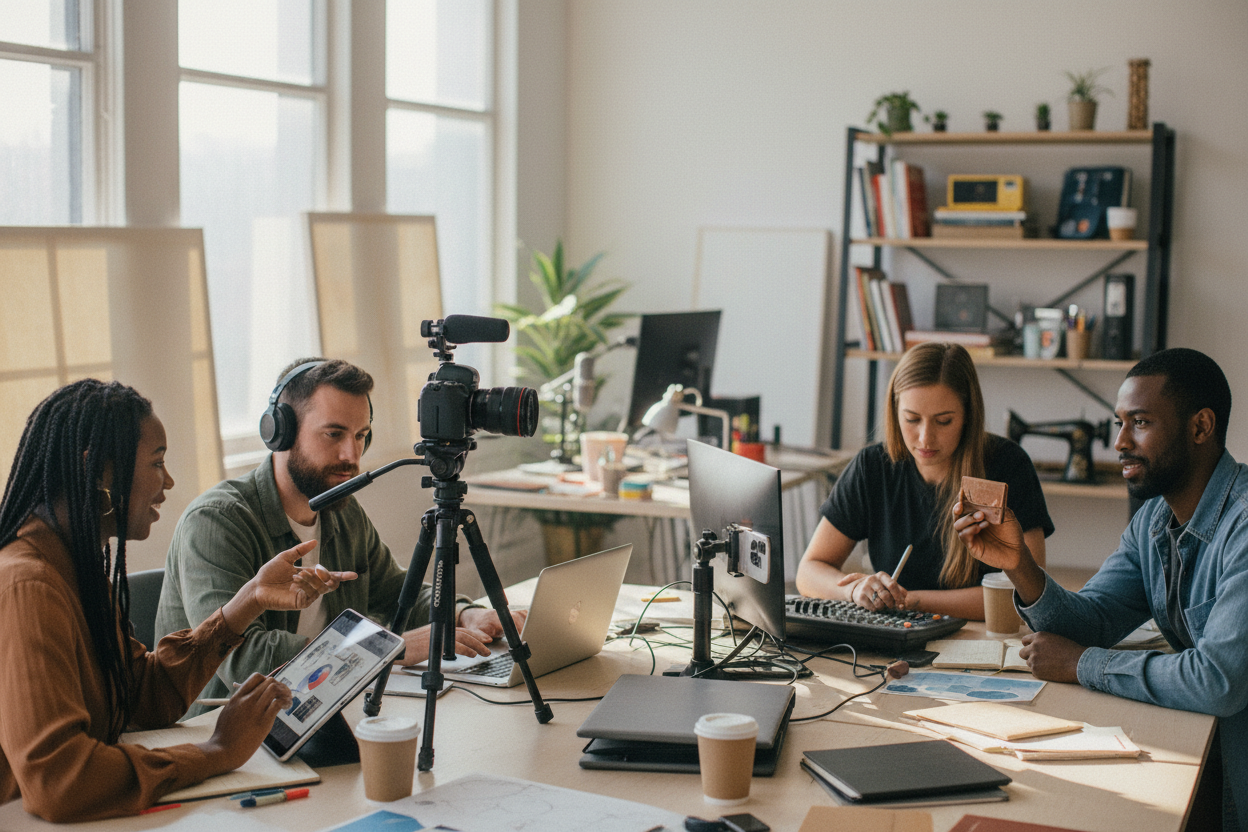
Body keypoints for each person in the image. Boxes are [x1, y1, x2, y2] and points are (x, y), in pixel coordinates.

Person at [0, 380, 354, 822]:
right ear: (101, 472)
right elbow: (60, 780)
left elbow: (139, 696)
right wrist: (215, 752)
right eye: (157, 462)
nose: (167, 481)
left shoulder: (76, 566)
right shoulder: (28, 586)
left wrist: (247, 603)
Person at [957, 347, 1246, 830]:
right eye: (1118, 423)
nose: (1119, 443)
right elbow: (1091, 621)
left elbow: (1218, 681)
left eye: (1141, 423)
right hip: (1204, 747)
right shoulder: (1154, 521)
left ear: (1200, 427)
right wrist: (1018, 564)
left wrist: (1081, 664)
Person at [157, 358, 522, 715]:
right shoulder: (217, 522)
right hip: (227, 729)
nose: (352, 455)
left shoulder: (341, 510)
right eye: (334, 434)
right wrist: (383, 647)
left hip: (322, 706)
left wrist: (463, 614)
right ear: (279, 431)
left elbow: (397, 592)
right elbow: (242, 659)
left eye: (361, 436)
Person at [796, 342, 1053, 620]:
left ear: (968, 415)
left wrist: (908, 600)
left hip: (979, 639)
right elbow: (809, 571)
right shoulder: (873, 466)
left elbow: (1028, 594)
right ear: (895, 412)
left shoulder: (1008, 465)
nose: (925, 438)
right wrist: (855, 589)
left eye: (943, 421)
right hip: (897, 637)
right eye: (912, 419)